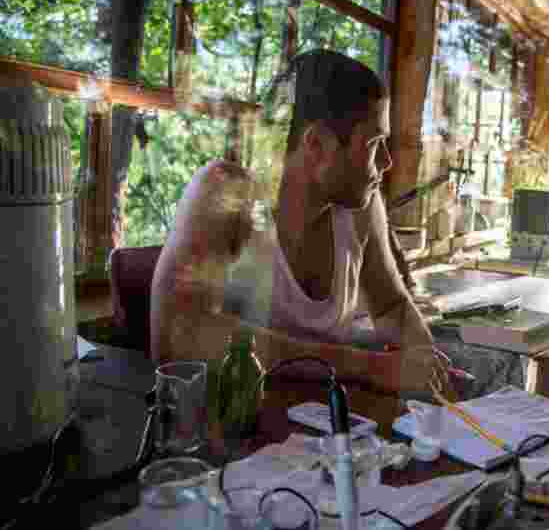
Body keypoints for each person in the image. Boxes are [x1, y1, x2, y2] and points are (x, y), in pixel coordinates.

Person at [151, 50, 450, 396]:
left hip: (323, 432)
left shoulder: (363, 209)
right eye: (374, 144)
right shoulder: (225, 193)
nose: (386, 162)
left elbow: (392, 307)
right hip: (233, 431)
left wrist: (423, 362)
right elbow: (178, 337)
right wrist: (367, 367)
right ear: (318, 144)